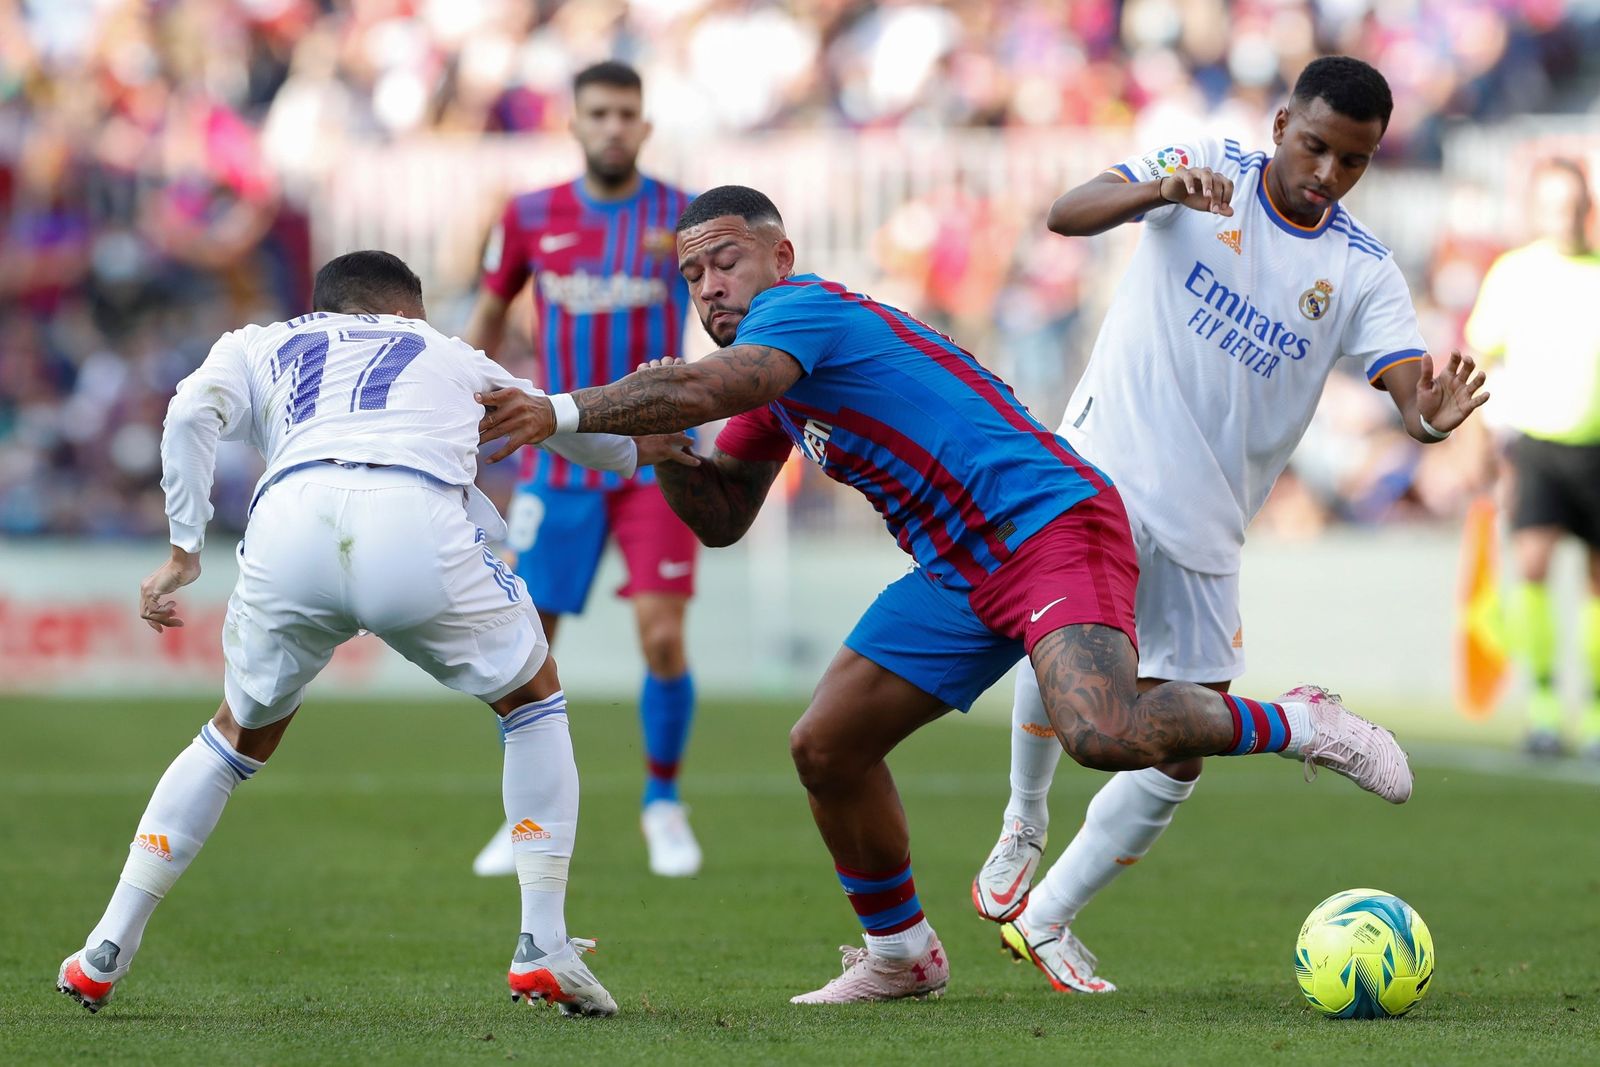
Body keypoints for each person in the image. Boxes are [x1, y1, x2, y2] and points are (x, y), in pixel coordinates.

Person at [475, 184, 1436, 1005]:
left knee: (1100, 731)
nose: (708, 287)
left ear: (781, 256)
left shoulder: (799, 313)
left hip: (1048, 517)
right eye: (691, 277)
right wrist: (667, 450)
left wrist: (563, 409)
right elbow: (723, 514)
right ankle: (900, 953)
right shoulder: (766, 374)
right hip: (960, 566)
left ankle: (1303, 722)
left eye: (724, 262)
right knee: (825, 745)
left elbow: (710, 385)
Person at [963, 56, 1489, 995]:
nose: (1328, 174)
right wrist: (1160, 189)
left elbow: (1409, 390)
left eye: (1354, 162)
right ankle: (1023, 821)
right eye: (1316, 146)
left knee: (1185, 742)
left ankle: (1048, 919)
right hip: (1102, 466)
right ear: (1283, 121)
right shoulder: (1208, 167)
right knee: (1072, 649)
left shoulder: (1362, 269)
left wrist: (1428, 416)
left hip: (1211, 517)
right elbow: (1067, 212)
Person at [55, 250, 696, 1017]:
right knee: (532, 700)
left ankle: (105, 948)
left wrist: (185, 548)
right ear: (405, 311)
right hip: (413, 518)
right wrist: (639, 449)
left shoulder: (254, 342)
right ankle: (543, 943)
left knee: (231, 740)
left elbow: (189, 413)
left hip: (292, 519)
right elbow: (545, 418)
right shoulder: (443, 349)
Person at [461, 60, 703, 879]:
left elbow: (730, 318)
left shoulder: (682, 217)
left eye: (626, 113)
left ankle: (662, 802)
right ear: (573, 121)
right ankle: (525, 819)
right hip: (560, 463)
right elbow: (487, 319)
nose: (612, 126)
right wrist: (458, 406)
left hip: (654, 459)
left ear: (645, 124)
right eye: (597, 112)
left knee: (663, 636)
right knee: (526, 644)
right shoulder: (530, 215)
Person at [1466, 157, 1600, 758]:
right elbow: (1479, 361)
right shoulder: (1513, 274)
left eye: (1573, 204)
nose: (1564, 216)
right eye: (1553, 205)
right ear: (1536, 211)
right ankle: (1545, 707)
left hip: (1596, 446)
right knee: (1536, 566)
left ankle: (1595, 715)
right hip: (1538, 447)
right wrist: (1480, 448)